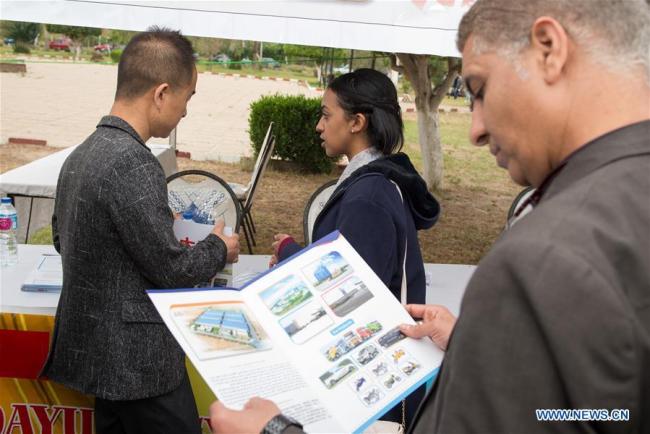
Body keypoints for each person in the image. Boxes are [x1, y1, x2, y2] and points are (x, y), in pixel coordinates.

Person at [208, 0, 650, 433]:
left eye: (479, 90)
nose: (475, 129)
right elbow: (600, 414)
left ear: (549, 49)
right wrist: (470, 348)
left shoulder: (548, 253)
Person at [41, 27, 240, 434]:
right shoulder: (133, 162)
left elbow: (66, 240)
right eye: (188, 97)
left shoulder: (81, 154)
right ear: (162, 93)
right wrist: (220, 246)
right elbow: (173, 270)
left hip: (100, 358)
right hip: (138, 365)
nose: (185, 110)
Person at [271, 67, 440, 429]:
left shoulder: (369, 196)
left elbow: (348, 295)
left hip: (374, 389)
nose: (319, 125)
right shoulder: (378, 182)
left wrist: (287, 254)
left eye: (326, 114)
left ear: (357, 122)